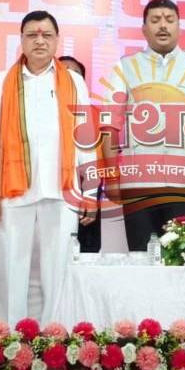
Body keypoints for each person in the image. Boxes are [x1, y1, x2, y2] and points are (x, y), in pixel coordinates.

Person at [0, 11, 94, 324]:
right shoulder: (1, 83)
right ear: (22, 40)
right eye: (32, 35)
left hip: (63, 190)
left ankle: (54, 339)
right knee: (11, 271)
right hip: (13, 191)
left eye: (46, 35)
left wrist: (90, 191)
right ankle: (14, 341)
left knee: (57, 272)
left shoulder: (74, 82)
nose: (39, 41)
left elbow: (85, 137)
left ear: (57, 40)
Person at [99, 0, 185, 251]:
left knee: (181, 258)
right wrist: (111, 178)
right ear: (144, 29)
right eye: (155, 20)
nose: (163, 26)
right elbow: (109, 126)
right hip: (138, 184)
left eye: (169, 20)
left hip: (184, 182)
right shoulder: (124, 67)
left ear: (179, 27)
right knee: (141, 257)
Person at [59, 55, 103, 253]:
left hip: (87, 182)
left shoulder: (96, 113)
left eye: (75, 73)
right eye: (64, 71)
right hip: (56, 183)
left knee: (86, 246)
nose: (69, 76)